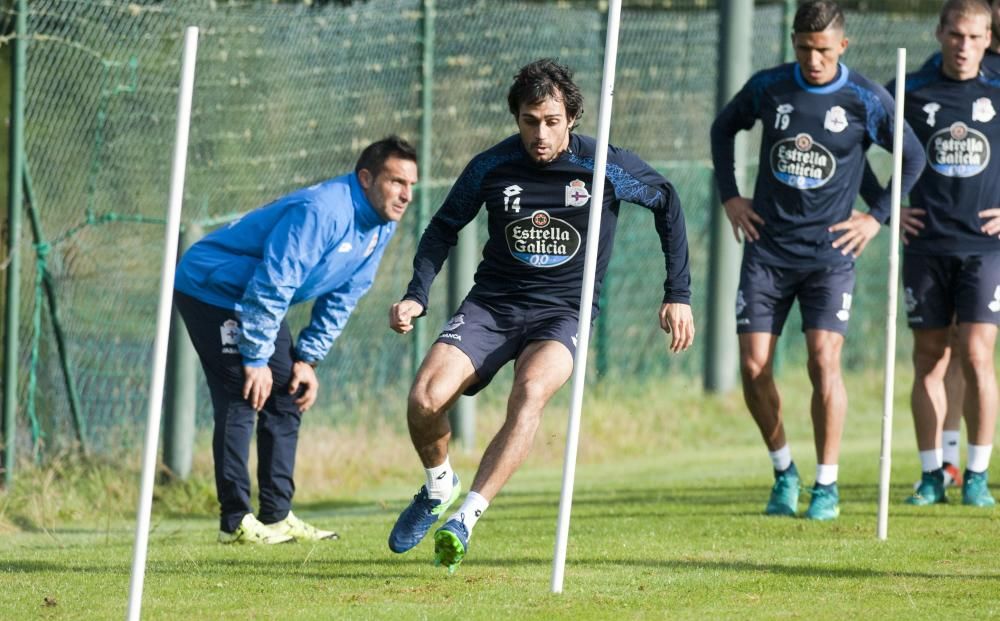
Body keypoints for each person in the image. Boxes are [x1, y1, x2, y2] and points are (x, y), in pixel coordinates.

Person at [386, 59, 694, 572]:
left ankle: (465, 517)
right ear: (517, 119)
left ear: (570, 117)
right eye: (530, 121)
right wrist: (417, 293)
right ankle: (439, 486)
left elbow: (667, 201)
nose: (540, 133)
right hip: (492, 305)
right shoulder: (492, 165)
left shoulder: (603, 165)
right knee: (423, 400)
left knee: (529, 394)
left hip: (563, 314)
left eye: (551, 121)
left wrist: (677, 292)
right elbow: (442, 227)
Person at [710, 0, 925, 521]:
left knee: (822, 361)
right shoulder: (770, 87)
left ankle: (826, 485)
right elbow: (723, 128)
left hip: (830, 255)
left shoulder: (864, 98)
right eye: (804, 48)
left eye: (823, 50)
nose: (813, 59)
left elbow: (913, 156)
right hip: (767, 250)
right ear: (793, 43)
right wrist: (731, 196)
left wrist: (876, 217)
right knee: (753, 366)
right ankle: (784, 472)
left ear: (843, 46)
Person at [173, 136, 419, 543]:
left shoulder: (382, 225)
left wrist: (307, 358)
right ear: (365, 178)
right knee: (242, 390)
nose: (406, 195)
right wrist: (254, 358)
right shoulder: (322, 211)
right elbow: (274, 281)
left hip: (256, 298)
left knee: (287, 392)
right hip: (212, 288)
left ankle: (276, 516)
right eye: (396, 182)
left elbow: (346, 294)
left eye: (411, 184)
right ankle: (234, 522)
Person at [895, 0, 1000, 507]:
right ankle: (933, 473)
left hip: (985, 247)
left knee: (978, 356)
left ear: (988, 38)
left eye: (976, 37)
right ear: (940, 33)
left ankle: (977, 475)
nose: (965, 47)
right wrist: (886, 206)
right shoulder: (910, 90)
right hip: (926, 244)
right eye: (956, 35)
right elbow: (853, 139)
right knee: (929, 360)